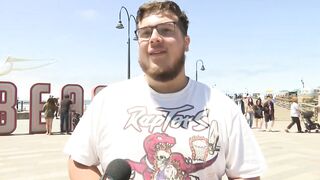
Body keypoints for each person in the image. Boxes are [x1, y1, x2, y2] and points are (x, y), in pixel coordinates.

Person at [64, 1, 266, 179]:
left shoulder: (222, 107)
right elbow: (80, 162)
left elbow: (245, 174)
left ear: (186, 43)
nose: (154, 38)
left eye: (166, 30)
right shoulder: (106, 101)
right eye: (145, 33)